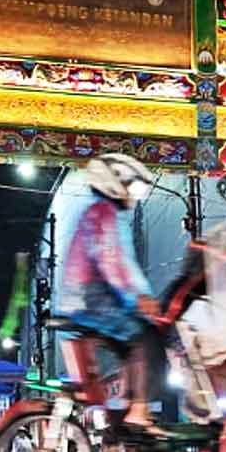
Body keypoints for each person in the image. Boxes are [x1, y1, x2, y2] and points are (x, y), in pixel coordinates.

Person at [58, 153, 170, 435]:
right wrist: (140, 299)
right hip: (93, 301)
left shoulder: (97, 211)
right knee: (147, 336)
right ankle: (138, 410)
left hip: (84, 300)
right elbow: (115, 263)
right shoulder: (105, 212)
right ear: (113, 183)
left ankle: (125, 412)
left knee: (129, 347)